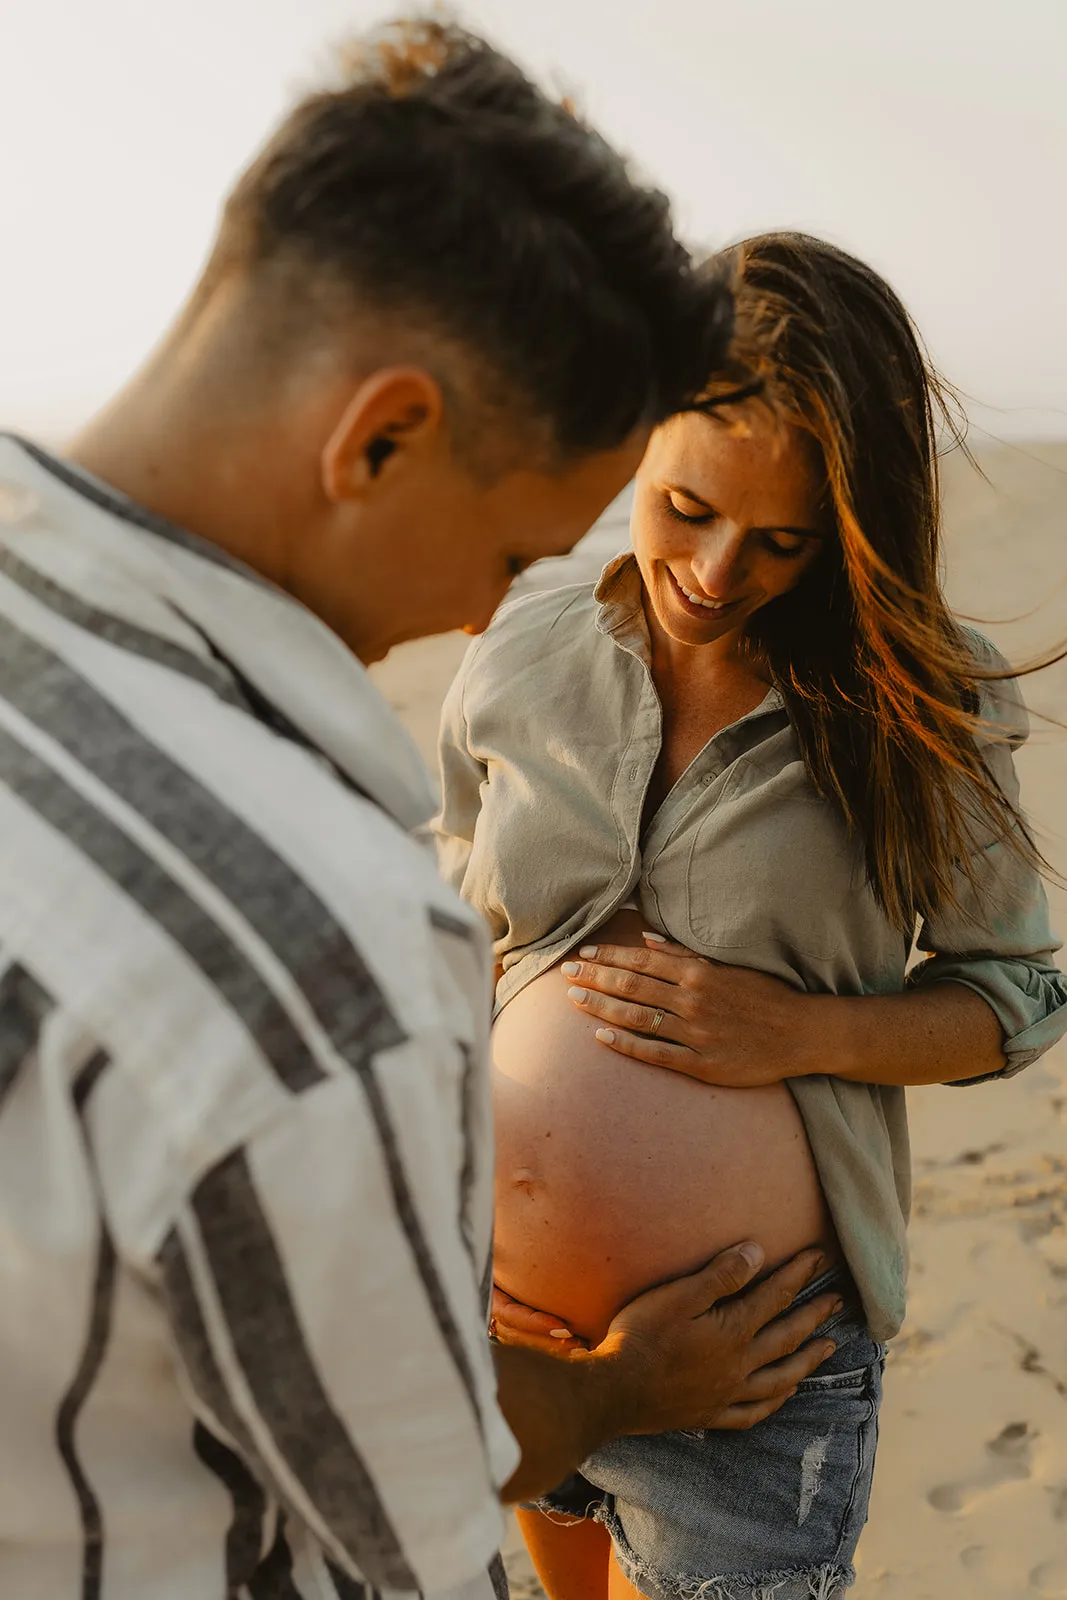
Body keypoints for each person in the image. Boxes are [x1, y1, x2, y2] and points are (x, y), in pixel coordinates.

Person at [0, 30, 846, 1600]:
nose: (485, 620)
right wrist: (606, 1395)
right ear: (380, 437)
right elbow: (415, 1547)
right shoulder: (312, 937)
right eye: (519, 550)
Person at [434, 232, 1067, 1600]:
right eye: (684, 510)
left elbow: (1013, 999)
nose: (718, 574)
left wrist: (797, 1030)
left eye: (784, 542)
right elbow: (454, 925)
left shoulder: (919, 705)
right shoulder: (521, 644)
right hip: (505, 1330)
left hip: (748, 1375)